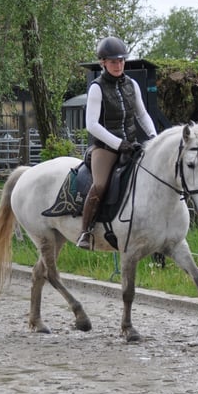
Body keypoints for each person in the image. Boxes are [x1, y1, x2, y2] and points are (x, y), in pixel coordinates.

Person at [76, 36, 158, 250]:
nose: (118, 65)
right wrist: (117, 143)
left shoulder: (132, 85)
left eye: (121, 61)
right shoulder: (97, 88)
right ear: (103, 62)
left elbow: (142, 114)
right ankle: (85, 231)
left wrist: (154, 137)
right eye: (113, 61)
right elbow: (92, 125)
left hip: (131, 145)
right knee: (101, 184)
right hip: (104, 148)